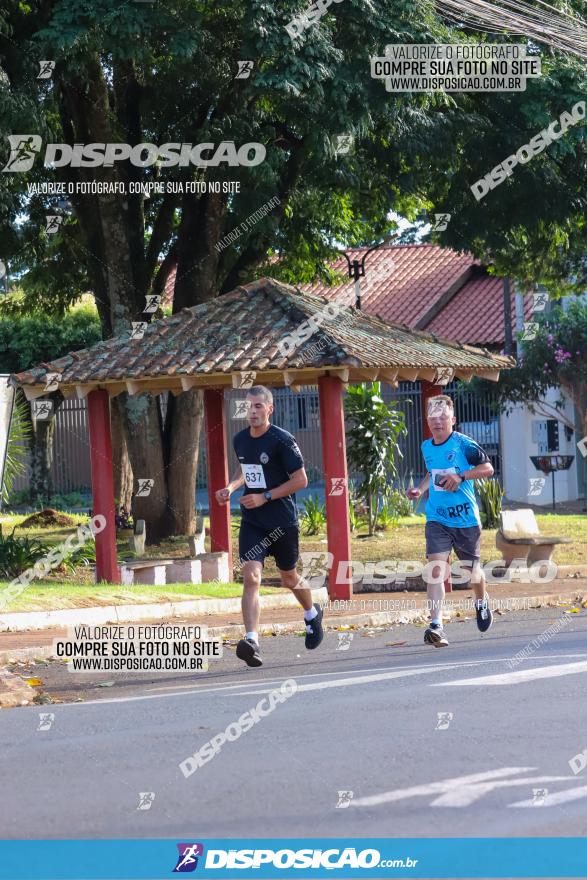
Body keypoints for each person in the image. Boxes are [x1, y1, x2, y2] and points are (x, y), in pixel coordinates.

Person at [215, 385, 324, 667]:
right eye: (248, 407)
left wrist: (265, 496)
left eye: (258, 407)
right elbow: (244, 467)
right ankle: (252, 640)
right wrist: (231, 486)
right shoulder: (240, 439)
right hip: (253, 521)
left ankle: (312, 613)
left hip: (282, 520)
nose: (252, 411)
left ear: (269, 409)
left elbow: (301, 480)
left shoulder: (282, 440)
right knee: (251, 577)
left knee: (289, 578)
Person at [406, 394, 495, 647]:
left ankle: (481, 601)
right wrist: (420, 490)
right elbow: (430, 473)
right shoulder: (426, 447)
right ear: (427, 420)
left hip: (465, 518)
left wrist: (461, 477)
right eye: (433, 417)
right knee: (436, 568)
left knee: (472, 572)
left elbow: (488, 468)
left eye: (443, 417)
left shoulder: (463, 444)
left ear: (452, 420)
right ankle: (436, 625)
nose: (437, 422)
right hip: (437, 518)